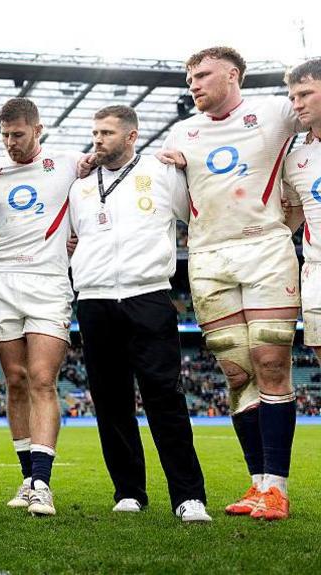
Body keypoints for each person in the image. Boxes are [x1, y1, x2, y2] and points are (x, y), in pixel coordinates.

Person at [158, 46, 301, 521]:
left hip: (264, 249)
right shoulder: (183, 132)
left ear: (233, 75)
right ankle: (256, 483)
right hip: (208, 256)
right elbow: (180, 206)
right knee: (237, 372)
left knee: (270, 361)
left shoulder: (275, 112)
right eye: (189, 79)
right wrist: (174, 169)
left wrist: (294, 200)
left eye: (202, 76)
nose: (193, 85)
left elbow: (313, 116)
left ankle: (277, 488)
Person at [69, 105, 210, 523]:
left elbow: (194, 214)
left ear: (132, 136)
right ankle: (129, 490)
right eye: (95, 132)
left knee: (164, 396)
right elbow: (76, 237)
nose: (98, 139)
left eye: (108, 133)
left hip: (147, 295)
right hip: (94, 299)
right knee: (110, 401)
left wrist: (189, 163)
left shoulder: (163, 172)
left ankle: (188, 496)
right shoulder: (79, 186)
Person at [0, 98, 83, 516]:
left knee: (41, 379)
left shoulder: (68, 163)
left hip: (50, 281)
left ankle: (42, 483)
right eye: (5, 135)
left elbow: (111, 163)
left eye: (18, 134)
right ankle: (26, 477)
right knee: (15, 380)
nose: (10, 142)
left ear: (38, 130)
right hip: (0, 282)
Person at [283, 59, 321, 361]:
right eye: (293, 97)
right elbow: (291, 217)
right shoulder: (296, 161)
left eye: (305, 94)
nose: (297, 104)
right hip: (316, 270)